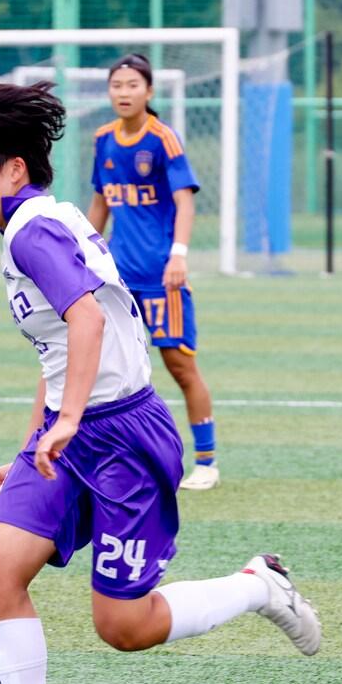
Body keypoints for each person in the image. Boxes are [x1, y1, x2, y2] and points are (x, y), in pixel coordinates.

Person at [0, 82, 321, 684]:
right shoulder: (33, 224)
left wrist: (64, 421)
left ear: (14, 169)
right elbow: (57, 348)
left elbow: (85, 320)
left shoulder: (32, 230)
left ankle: (257, 586)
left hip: (122, 437)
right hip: (75, 430)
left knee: (124, 626)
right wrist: (37, 437)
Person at [87, 54, 220, 491]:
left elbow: (185, 200)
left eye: (132, 85)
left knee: (179, 366)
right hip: (118, 278)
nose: (123, 93)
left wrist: (178, 255)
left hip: (162, 277)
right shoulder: (103, 140)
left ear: (149, 92)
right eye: (116, 85)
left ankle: (206, 461)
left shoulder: (163, 139)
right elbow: (102, 203)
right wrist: (86, 251)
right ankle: (120, 456)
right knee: (113, 368)